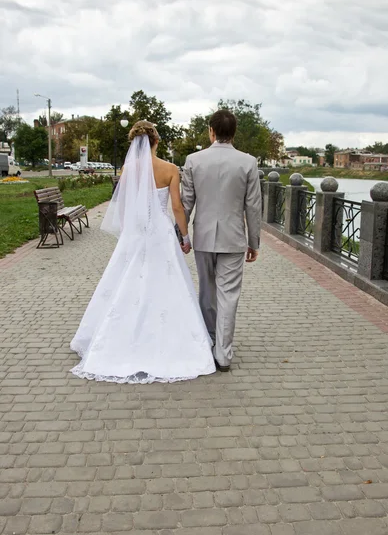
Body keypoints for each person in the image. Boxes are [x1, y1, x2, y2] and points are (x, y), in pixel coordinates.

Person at [70, 120, 216, 384]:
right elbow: (177, 207)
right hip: (159, 232)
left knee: (128, 280)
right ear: (156, 141)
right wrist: (185, 237)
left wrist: (129, 232)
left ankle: (115, 339)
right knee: (165, 281)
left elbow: (124, 205)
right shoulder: (170, 168)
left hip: (136, 232)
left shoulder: (128, 168)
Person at [181, 109, 262, 372]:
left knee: (207, 292)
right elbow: (253, 206)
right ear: (234, 132)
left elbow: (186, 203)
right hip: (234, 238)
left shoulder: (193, 160)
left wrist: (181, 235)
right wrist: (254, 241)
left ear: (211, 131)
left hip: (203, 236)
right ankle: (224, 355)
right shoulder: (248, 162)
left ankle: (209, 342)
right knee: (229, 296)